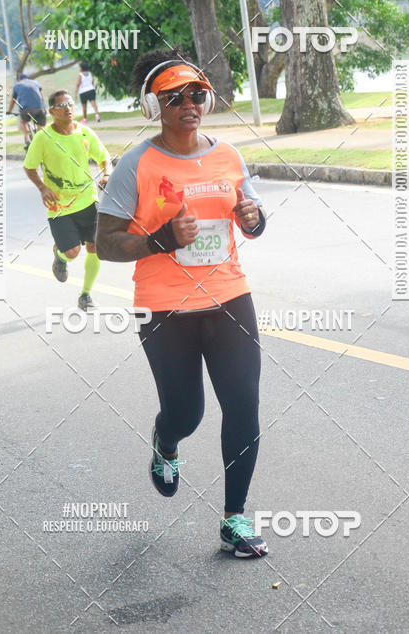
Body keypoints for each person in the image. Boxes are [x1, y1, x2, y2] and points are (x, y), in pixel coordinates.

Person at [96, 50, 269, 559]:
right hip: (164, 308)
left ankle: (234, 518)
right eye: (175, 97)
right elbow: (106, 244)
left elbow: (254, 221)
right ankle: (165, 440)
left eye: (197, 94)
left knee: (243, 405)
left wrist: (254, 217)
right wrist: (160, 239)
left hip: (229, 297)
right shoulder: (137, 165)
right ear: (156, 106)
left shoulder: (228, 155)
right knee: (187, 413)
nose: (189, 104)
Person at [23, 89, 111, 310]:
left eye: (71, 103)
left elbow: (104, 157)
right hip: (59, 206)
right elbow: (29, 167)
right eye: (62, 105)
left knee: (95, 247)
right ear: (52, 111)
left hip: (88, 200)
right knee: (73, 253)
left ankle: (86, 295)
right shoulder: (43, 138)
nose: (68, 108)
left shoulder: (85, 133)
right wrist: (42, 188)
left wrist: (107, 173)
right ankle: (60, 256)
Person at [7, 73, 47, 150]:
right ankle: (42, 141)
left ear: (19, 79)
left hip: (26, 110)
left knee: (23, 122)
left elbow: (13, 100)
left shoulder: (17, 85)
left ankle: (27, 139)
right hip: (39, 109)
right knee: (40, 126)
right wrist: (43, 108)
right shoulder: (36, 82)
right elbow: (42, 97)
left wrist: (9, 110)